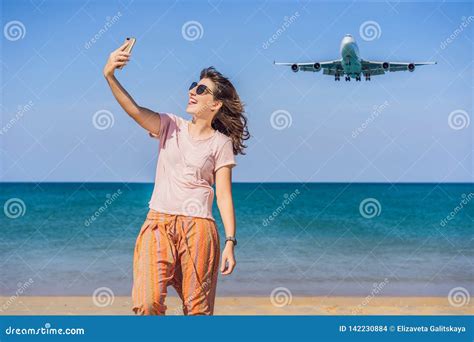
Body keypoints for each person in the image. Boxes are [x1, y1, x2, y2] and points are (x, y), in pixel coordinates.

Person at [103, 41, 249, 315]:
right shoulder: (170, 125)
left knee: (197, 311)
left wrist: (230, 242)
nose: (192, 91)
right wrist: (109, 74)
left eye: (201, 89)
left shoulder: (220, 144)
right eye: (194, 85)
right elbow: (134, 110)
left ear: (216, 104)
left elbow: (224, 196)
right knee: (147, 304)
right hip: (158, 224)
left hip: (199, 230)